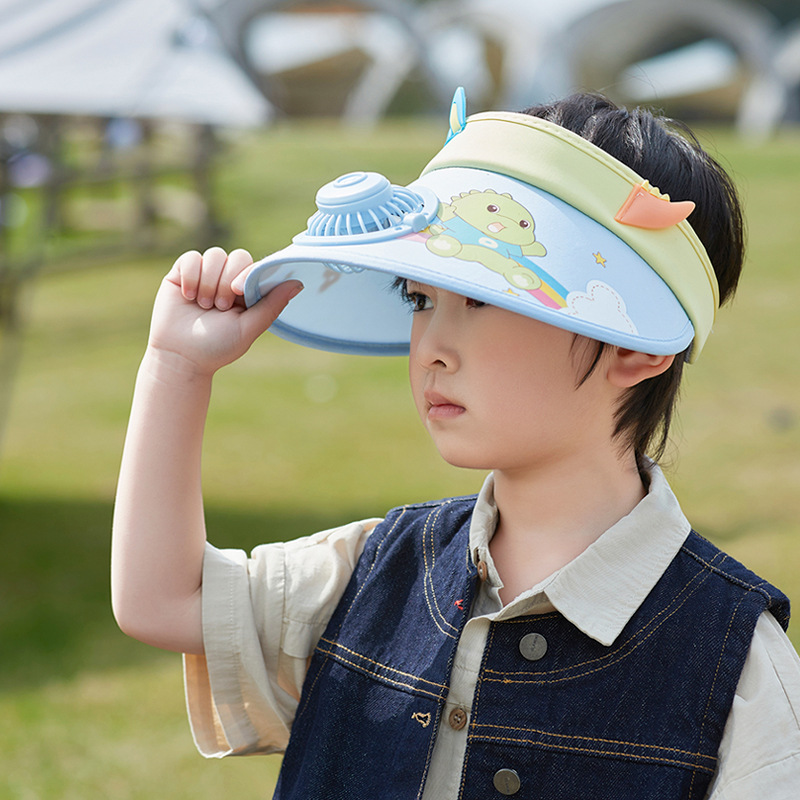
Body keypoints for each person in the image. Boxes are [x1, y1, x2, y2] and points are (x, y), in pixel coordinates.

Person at [111, 90, 800, 799]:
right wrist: (176, 367)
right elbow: (162, 600)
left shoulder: (737, 666)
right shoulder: (371, 576)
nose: (431, 348)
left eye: (482, 298)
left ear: (635, 344)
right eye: (420, 298)